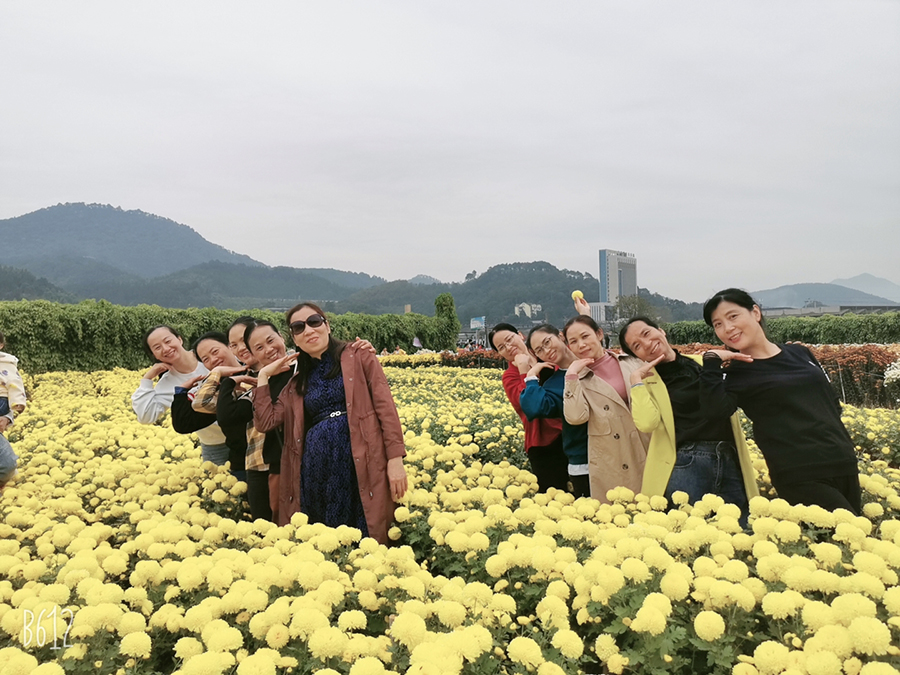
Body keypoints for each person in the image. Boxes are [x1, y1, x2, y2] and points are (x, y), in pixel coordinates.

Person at [252, 302, 408, 544]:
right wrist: (263, 376)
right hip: (317, 468)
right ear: (294, 337)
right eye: (299, 327)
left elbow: (385, 408)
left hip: (361, 458)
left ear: (327, 325)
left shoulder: (359, 356)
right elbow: (265, 422)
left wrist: (395, 459)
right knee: (326, 537)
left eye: (314, 322)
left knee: (367, 531)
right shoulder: (297, 382)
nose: (308, 330)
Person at [699, 288, 861, 514]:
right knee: (850, 529)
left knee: (857, 534)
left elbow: (831, 401)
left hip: (842, 461)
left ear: (755, 313)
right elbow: (714, 412)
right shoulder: (738, 374)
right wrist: (711, 362)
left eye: (733, 316)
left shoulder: (800, 353)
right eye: (718, 324)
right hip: (799, 473)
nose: (727, 328)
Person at [618, 316, 758, 519]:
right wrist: (635, 381)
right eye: (637, 346)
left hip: (728, 456)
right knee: (688, 531)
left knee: (740, 528)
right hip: (687, 463)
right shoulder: (646, 383)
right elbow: (647, 424)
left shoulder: (703, 363)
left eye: (647, 333)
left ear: (661, 331)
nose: (647, 344)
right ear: (636, 356)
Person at [561, 315, 649, 502]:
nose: (581, 345)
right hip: (613, 458)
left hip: (645, 445)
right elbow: (576, 417)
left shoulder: (629, 361)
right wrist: (571, 376)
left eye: (585, 336)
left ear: (599, 334)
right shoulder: (577, 378)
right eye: (573, 341)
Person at [488, 323, 568, 493]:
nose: (508, 347)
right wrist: (524, 371)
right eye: (501, 347)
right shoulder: (510, 376)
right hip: (543, 444)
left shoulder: (546, 356)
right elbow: (527, 406)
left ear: (520, 335)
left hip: (571, 433)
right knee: (554, 497)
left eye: (509, 339)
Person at [519, 324, 591, 498]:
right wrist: (531, 377)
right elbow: (534, 408)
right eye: (539, 350)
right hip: (583, 460)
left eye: (547, 342)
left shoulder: (593, 361)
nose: (547, 351)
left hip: (617, 451)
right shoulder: (553, 383)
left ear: (560, 336)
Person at [171, 332, 252, 482]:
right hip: (243, 465)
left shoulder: (255, 371)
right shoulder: (216, 389)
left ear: (229, 346)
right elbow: (184, 424)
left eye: (215, 351)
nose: (213, 360)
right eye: (206, 359)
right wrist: (181, 392)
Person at [0, 331, 26, 492]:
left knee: (7, 464)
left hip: (2, 406)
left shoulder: (7, 364)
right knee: (7, 464)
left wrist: (7, 416)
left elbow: (14, 386)